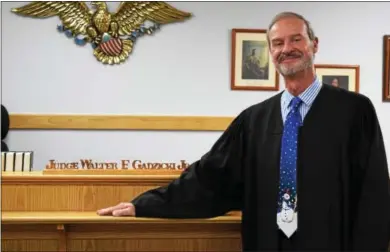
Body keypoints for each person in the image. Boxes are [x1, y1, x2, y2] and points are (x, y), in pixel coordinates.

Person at [97, 11, 390, 251]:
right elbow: (210, 177)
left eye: (296, 39)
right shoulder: (253, 120)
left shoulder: (354, 111)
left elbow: (374, 192)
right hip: (267, 243)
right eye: (277, 43)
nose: (286, 48)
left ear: (314, 44)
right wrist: (144, 205)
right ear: (271, 52)